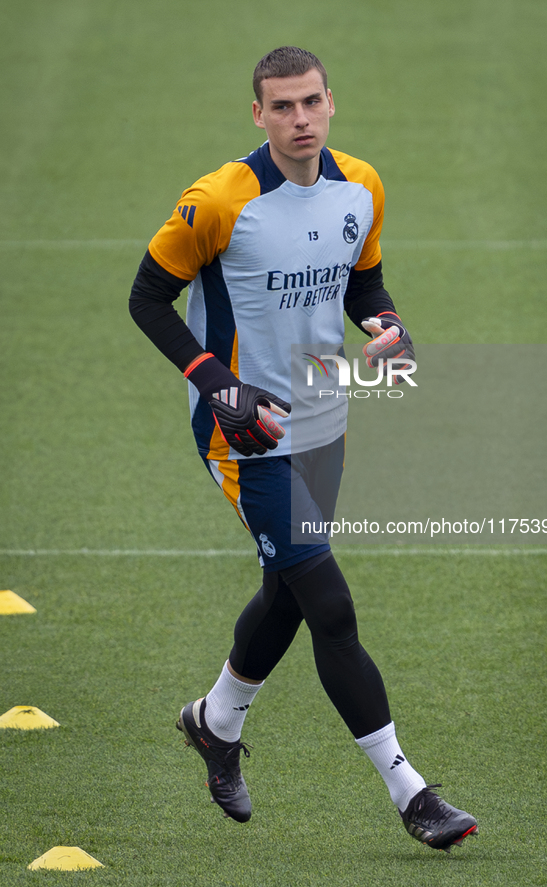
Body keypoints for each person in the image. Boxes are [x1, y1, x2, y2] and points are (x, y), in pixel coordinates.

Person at [129, 46, 478, 853]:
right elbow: (147, 296)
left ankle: (214, 721)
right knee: (328, 601)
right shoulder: (219, 199)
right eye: (280, 107)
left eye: (310, 102)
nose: (299, 120)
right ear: (257, 114)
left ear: (330, 103)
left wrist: (384, 325)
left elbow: (362, 280)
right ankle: (411, 791)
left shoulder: (361, 185)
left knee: (288, 587)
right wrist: (219, 384)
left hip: (324, 413)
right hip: (242, 432)